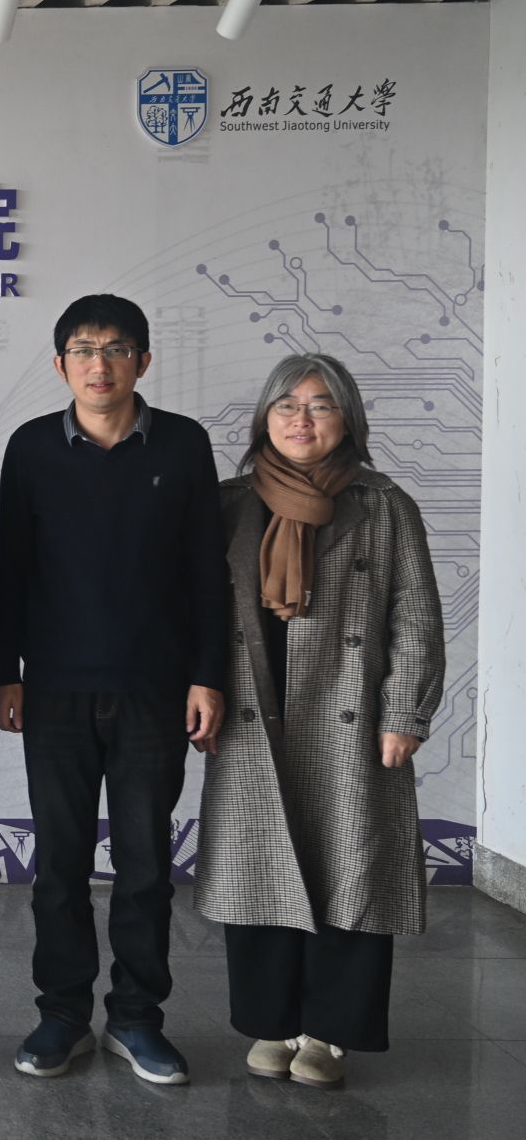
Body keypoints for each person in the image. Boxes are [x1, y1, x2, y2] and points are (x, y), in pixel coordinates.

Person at [0, 293, 225, 1086]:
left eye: (116, 348)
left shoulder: (183, 444)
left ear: (143, 361)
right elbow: (12, 566)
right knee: (58, 861)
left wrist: (207, 674)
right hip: (54, 689)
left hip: (155, 688)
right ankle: (62, 1013)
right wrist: (6, 669)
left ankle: (135, 1017)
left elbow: (207, 570)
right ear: (61, 364)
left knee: (145, 862)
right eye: (84, 350)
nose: (100, 364)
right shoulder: (31, 446)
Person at [196, 353, 443, 1089]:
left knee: (350, 866)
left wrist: (405, 712)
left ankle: (329, 1033)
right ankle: (272, 1021)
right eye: (287, 405)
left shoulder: (383, 504)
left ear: (347, 419)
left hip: (350, 715)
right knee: (260, 865)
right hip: (252, 710)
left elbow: (416, 615)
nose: (301, 420)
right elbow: (194, 608)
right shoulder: (229, 503)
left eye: (320, 405)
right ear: (264, 419)